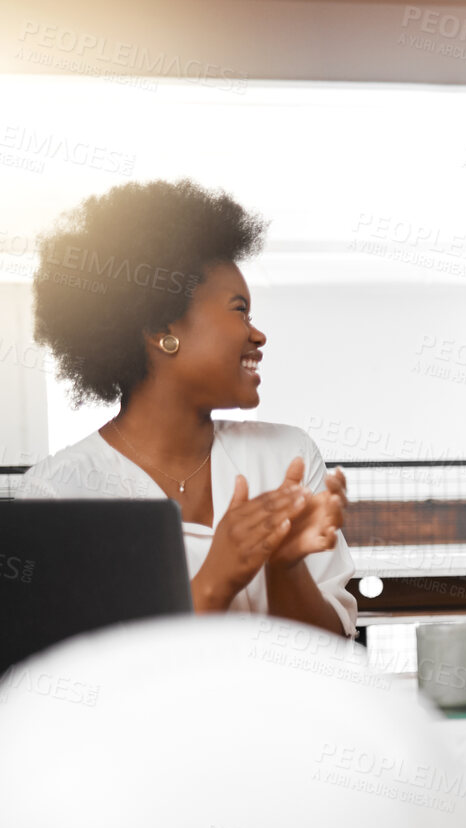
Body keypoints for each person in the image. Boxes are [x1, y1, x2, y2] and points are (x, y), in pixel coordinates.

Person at [21, 180, 354, 636]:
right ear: (163, 329)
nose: (258, 335)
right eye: (240, 310)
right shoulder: (58, 492)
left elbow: (330, 650)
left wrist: (284, 567)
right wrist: (217, 579)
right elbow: (77, 676)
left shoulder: (285, 456)